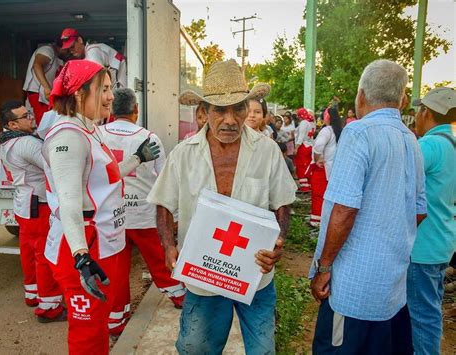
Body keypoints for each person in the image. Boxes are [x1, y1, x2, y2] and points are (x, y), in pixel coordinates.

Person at [147, 59, 296, 354]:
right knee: (195, 349)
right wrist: (168, 246)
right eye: (220, 110)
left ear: (247, 109)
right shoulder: (183, 155)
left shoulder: (266, 150)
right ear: (203, 112)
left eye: (238, 108)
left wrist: (278, 243)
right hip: (205, 277)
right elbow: (163, 203)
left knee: (263, 350)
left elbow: (283, 203)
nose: (230, 119)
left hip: (256, 275)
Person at [41, 60, 159, 354]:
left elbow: (106, 175)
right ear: (80, 94)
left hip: (101, 242)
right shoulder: (68, 135)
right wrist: (81, 256)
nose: (110, 97)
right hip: (84, 249)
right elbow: (68, 199)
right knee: (88, 330)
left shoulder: (89, 129)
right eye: (104, 89)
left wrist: (137, 159)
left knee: (98, 323)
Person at [310, 59, 427, 354]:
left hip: (353, 289)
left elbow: (345, 210)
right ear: (401, 99)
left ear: (361, 95)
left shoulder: (358, 133)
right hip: (391, 286)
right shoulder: (411, 140)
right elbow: (419, 210)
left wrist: (324, 267)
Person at [99, 88, 186, 336]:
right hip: (143, 213)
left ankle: (115, 319)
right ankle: (180, 297)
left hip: (111, 214)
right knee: (159, 259)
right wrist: (174, 215)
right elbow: (164, 179)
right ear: (136, 110)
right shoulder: (149, 138)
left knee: (115, 267)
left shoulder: (98, 135)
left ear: (113, 110)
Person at [0, 101, 65, 322]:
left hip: (24, 204)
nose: (31, 118)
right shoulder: (27, 143)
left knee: (29, 251)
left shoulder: (6, 140)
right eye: (25, 116)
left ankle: (33, 294)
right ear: (12, 124)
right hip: (39, 205)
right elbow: (55, 164)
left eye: (29, 113)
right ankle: (49, 306)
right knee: (46, 255)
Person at [407, 87, 456, 354]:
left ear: (427, 112)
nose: (416, 115)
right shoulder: (451, 144)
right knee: (430, 310)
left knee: (422, 317)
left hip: (423, 246)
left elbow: (399, 180)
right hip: (442, 240)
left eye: (418, 110)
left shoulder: (428, 146)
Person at [308, 107, 342, 227]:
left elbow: (318, 147)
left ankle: (316, 221)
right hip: (335, 169)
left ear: (326, 117)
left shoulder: (327, 130)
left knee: (318, 195)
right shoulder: (340, 131)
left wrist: (318, 159)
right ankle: (328, 220)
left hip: (323, 168)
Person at [60, 28, 127, 89]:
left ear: (80, 40)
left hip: (119, 67)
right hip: (113, 70)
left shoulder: (92, 51)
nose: (71, 51)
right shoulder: (85, 56)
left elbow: (98, 76)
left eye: (72, 47)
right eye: (68, 49)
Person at [23, 42, 65, 125]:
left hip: (46, 96)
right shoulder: (47, 50)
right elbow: (37, 65)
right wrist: (46, 87)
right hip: (38, 94)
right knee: (43, 123)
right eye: (67, 50)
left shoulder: (58, 58)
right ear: (61, 48)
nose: (69, 52)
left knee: (48, 122)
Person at [294, 107, 315, 192]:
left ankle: (304, 186)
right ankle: (309, 184)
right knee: (308, 166)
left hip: (303, 146)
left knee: (301, 166)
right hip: (309, 146)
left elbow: (301, 136)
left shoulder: (303, 123)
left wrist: (296, 147)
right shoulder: (311, 123)